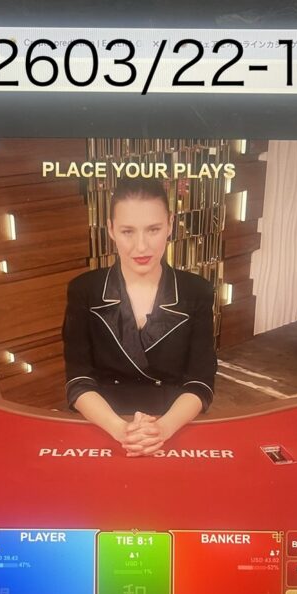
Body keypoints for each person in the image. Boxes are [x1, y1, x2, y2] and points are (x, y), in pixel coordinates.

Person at [63, 178, 217, 457]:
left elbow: (201, 382)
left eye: (153, 229)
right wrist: (121, 430)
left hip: (173, 423)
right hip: (104, 422)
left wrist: (161, 430)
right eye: (127, 231)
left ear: (170, 224)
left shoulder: (197, 291)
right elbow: (78, 380)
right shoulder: (84, 290)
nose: (141, 246)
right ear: (111, 229)